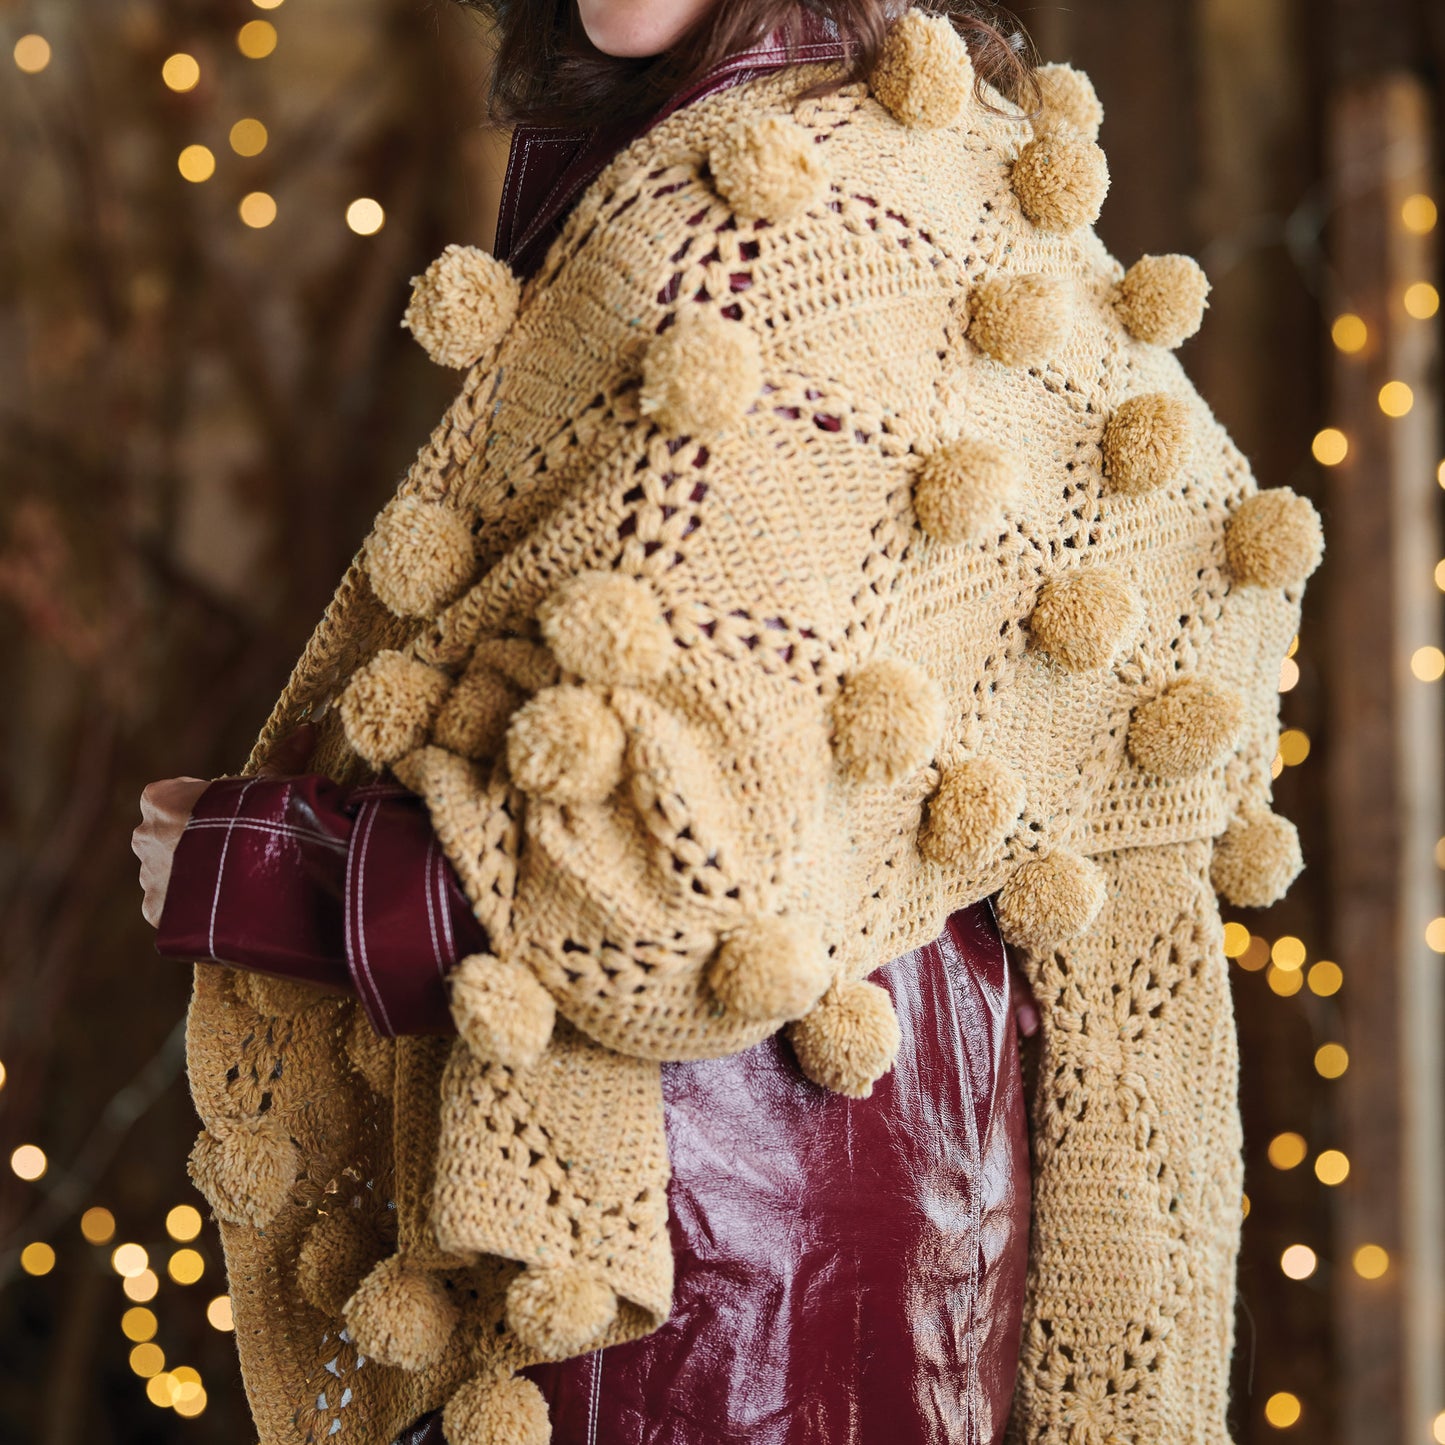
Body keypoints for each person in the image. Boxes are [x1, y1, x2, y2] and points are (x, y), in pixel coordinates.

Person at [134, 3, 1319, 1443]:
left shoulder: (739, 211)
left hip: (693, 1263)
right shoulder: (973, 170)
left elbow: (671, 871)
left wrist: (272, 866)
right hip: (941, 1223)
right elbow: (1186, 608)